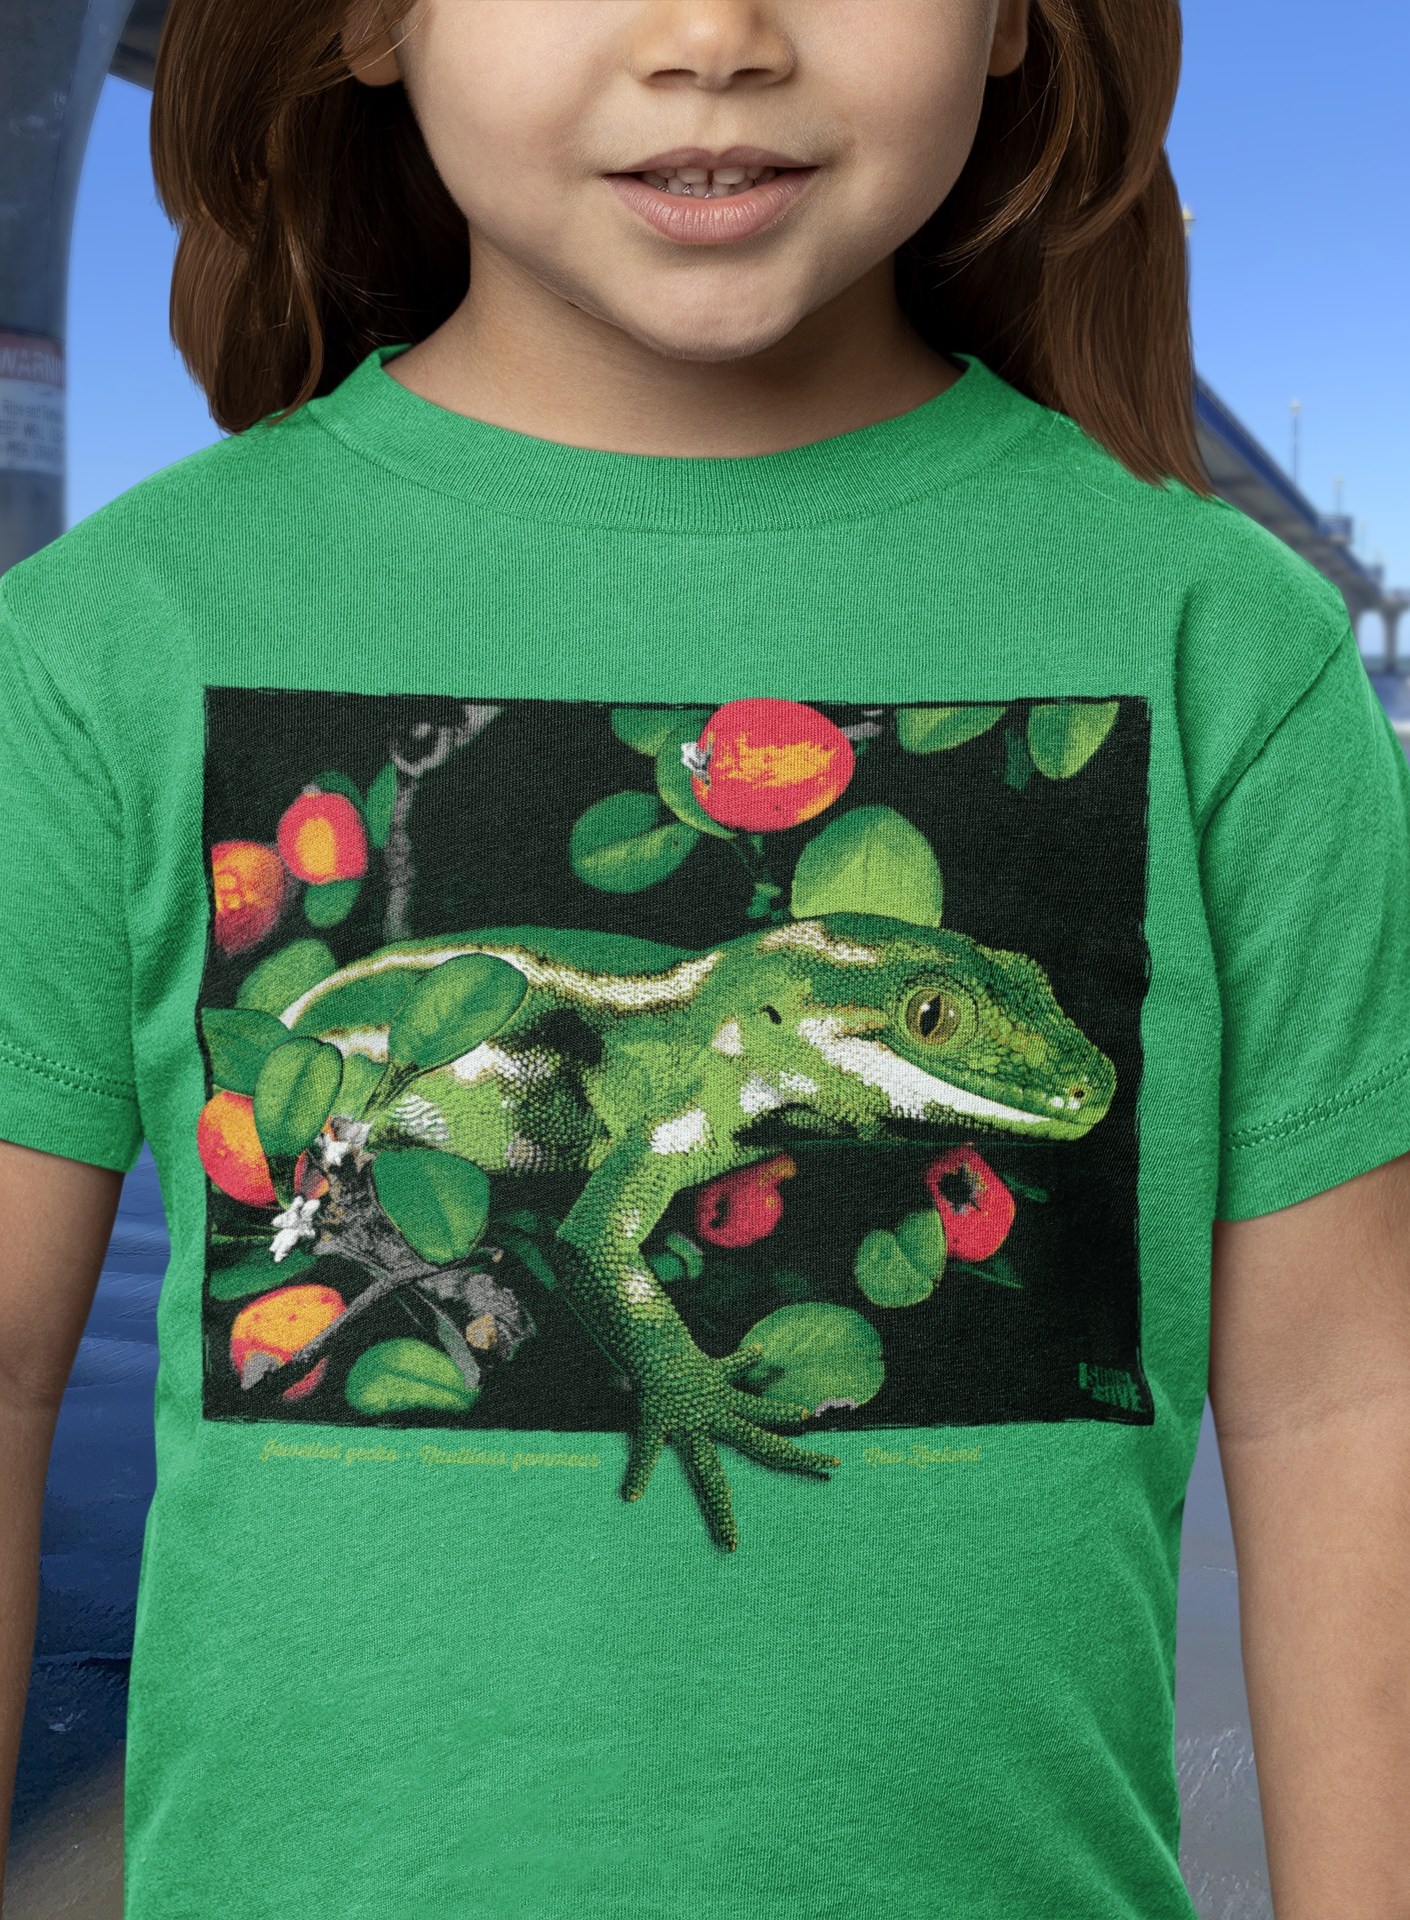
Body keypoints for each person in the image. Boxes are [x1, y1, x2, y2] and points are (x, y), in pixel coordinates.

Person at [1, 1, 1407, 1914]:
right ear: (363, 23)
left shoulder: (1225, 642)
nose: (715, 32)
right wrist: (667, 1373)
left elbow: (1345, 1401)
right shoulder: (113, 634)